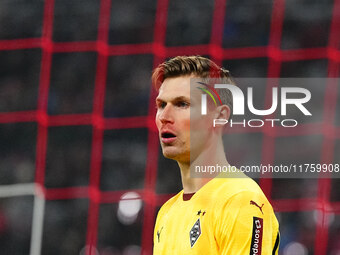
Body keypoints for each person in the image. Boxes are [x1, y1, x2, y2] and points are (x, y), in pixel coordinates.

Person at [152, 56, 279, 254]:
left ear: (219, 117)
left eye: (182, 104)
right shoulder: (167, 212)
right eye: (161, 105)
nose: (164, 117)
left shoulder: (240, 199)